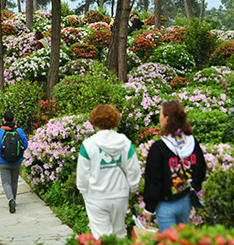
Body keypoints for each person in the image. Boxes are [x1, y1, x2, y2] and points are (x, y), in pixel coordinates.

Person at [76, 104, 141, 239]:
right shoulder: (125, 142)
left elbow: (82, 178)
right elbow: (134, 170)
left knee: (101, 237)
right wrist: (132, 189)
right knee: (119, 234)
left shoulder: (88, 145)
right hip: (120, 196)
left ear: (94, 120)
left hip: (96, 198)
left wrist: (86, 195)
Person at [142, 100, 207, 232]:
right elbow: (201, 168)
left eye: (161, 114)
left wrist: (149, 208)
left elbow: (154, 180)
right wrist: (195, 187)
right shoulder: (191, 141)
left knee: (170, 240)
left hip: (166, 205)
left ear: (166, 118)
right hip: (186, 201)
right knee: (183, 239)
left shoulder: (159, 148)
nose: (159, 118)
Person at [0, 111, 29, 214]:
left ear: (3, 120)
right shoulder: (19, 131)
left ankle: (10, 199)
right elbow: (25, 145)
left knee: (6, 182)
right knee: (14, 181)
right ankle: (14, 200)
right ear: (14, 119)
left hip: (3, 161)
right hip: (17, 161)